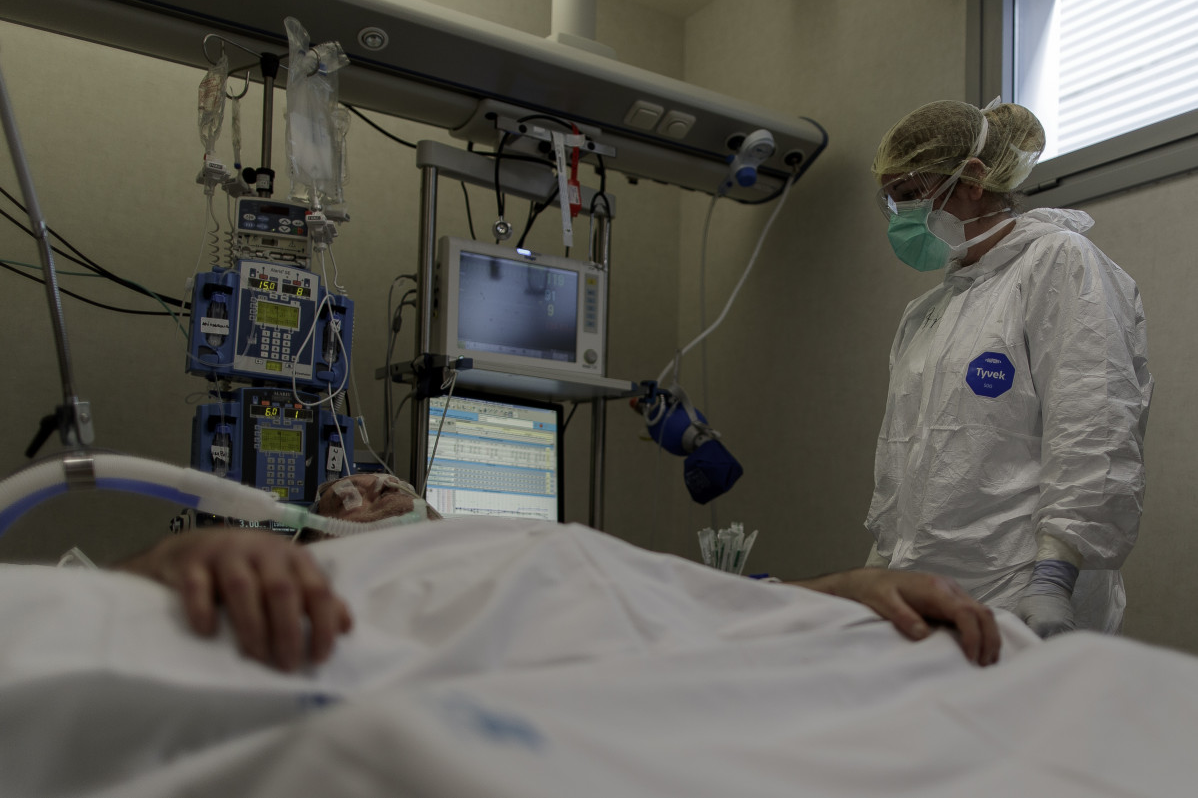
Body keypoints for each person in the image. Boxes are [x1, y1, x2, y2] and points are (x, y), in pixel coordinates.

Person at [118, 473, 1000, 670]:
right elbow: (75, 618)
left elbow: (691, 600)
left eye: (387, 479)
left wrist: (846, 586)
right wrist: (166, 563)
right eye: (339, 496)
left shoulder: (538, 546)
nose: (367, 483)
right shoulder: (305, 586)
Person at [868, 99, 1153, 638]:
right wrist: (883, 571)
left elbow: (1094, 427)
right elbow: (904, 461)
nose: (902, 216)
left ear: (973, 179)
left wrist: (1054, 576)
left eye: (910, 195)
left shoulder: (1058, 263)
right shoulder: (927, 313)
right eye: (892, 202)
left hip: (1021, 591)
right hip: (927, 597)